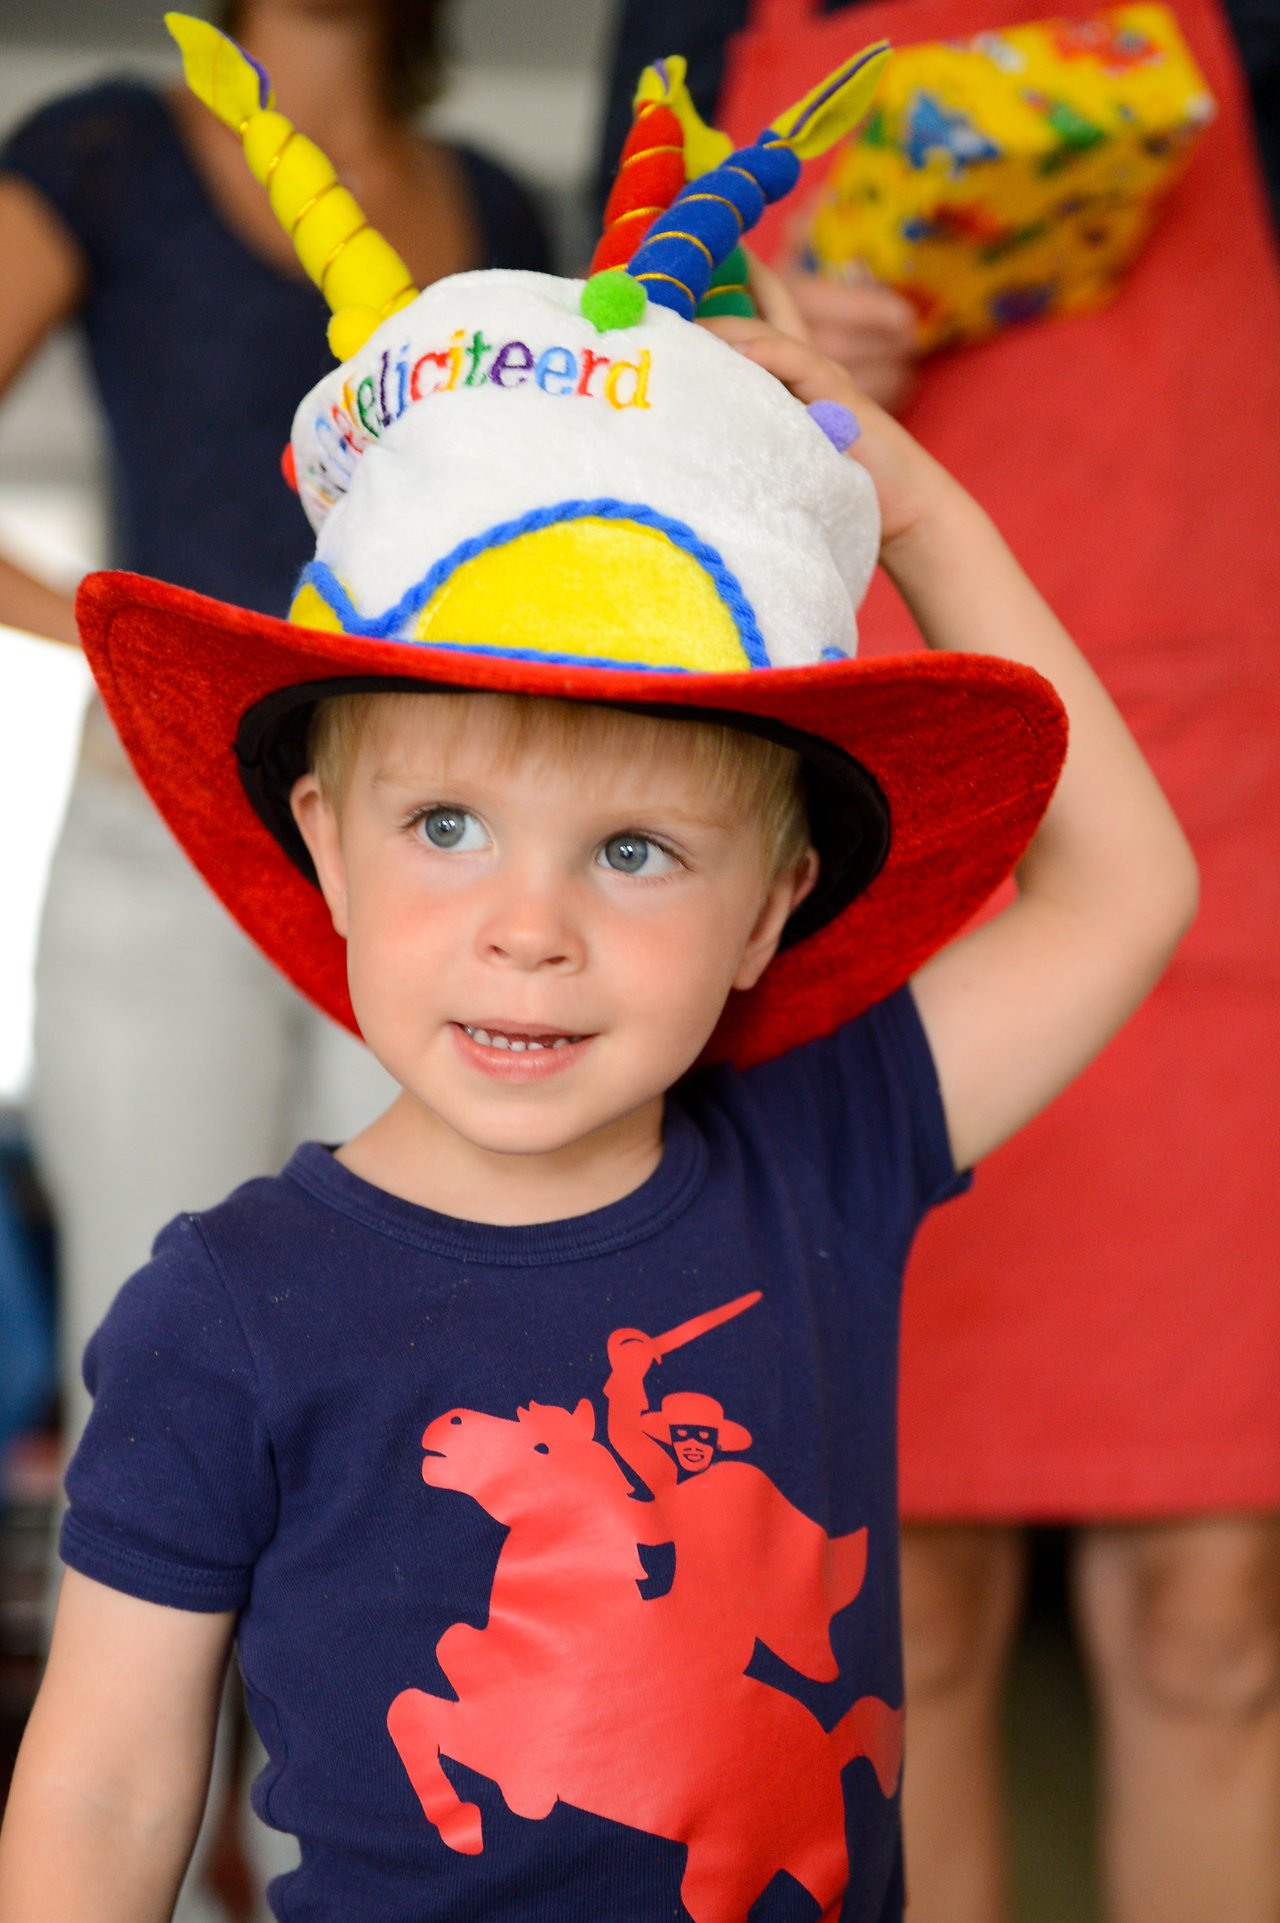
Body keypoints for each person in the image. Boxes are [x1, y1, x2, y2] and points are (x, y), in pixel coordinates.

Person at [0, 20, 1196, 1923]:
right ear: (320, 841)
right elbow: (108, 1785)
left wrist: (920, 510)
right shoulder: (222, 1310)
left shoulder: (824, 1143)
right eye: (446, 828)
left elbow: (1127, 888)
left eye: (636, 853)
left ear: (772, 909)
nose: (530, 925)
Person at [597, 5, 1280, 1920]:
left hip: (1227, 817)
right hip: (869, 795)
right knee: (909, 1606)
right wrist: (758, 326)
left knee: (1218, 1609)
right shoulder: (695, 17)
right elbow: (596, 382)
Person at [0, 0, 551, 1456]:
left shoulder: (498, 203)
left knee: (421, 1350)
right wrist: (129, 648)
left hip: (440, 831)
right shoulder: (109, 151)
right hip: (175, 809)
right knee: (153, 1357)